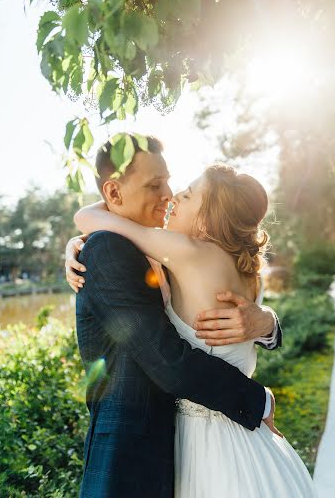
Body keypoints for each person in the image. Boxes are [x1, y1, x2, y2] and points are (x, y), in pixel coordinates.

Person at [65, 134, 283, 498]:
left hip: (188, 445)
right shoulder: (105, 250)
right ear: (114, 193)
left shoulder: (164, 250)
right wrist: (258, 399)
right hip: (129, 457)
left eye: (174, 184)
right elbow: (169, 363)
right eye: (156, 185)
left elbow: (91, 217)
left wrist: (267, 322)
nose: (169, 194)